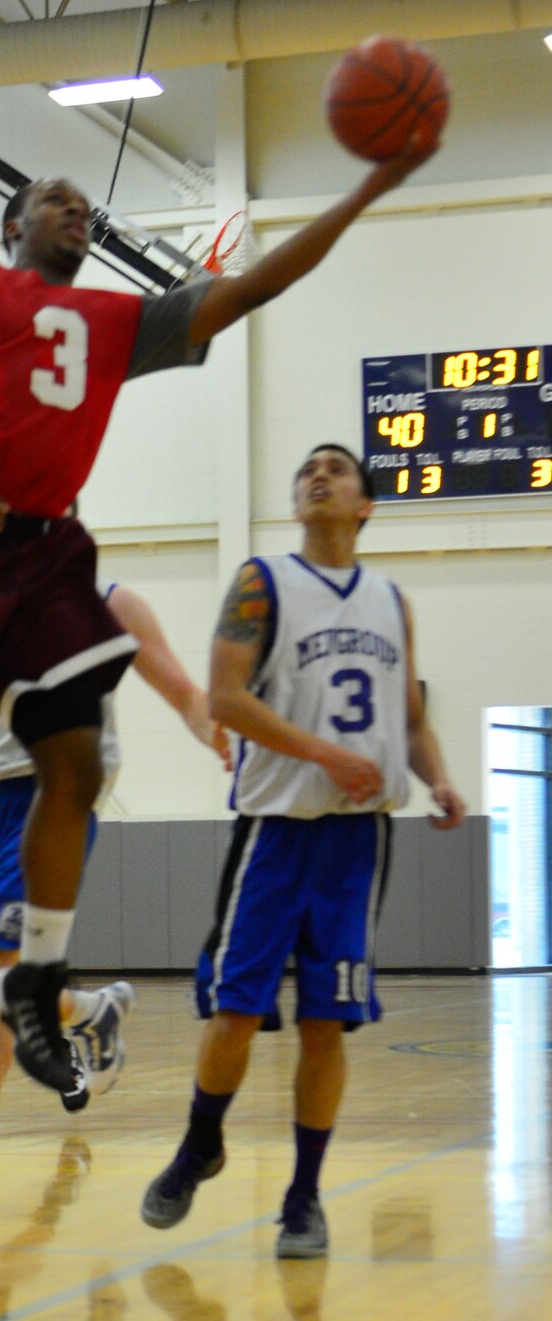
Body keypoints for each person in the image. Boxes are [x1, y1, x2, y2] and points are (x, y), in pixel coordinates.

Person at [0, 140, 437, 1100]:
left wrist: (369, 186)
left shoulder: (115, 322)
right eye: (55, 195)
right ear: (12, 226)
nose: (76, 208)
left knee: (78, 763)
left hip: (42, 548)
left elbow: (254, 285)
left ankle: (46, 976)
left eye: (86, 205)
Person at [140, 443, 466, 1259]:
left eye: (338, 468)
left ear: (366, 505)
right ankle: (198, 1144)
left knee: (328, 1022)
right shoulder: (263, 583)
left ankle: (304, 1197)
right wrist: (326, 755)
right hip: (277, 831)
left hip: (359, 841)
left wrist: (440, 780)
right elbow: (224, 700)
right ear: (297, 503)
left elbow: (410, 716)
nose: (318, 475)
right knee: (237, 1010)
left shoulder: (393, 600)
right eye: (307, 471)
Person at [0, 582, 229, 1214]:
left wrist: (211, 725)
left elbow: (185, 693)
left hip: (54, 794)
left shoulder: (108, 601)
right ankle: (89, 1010)